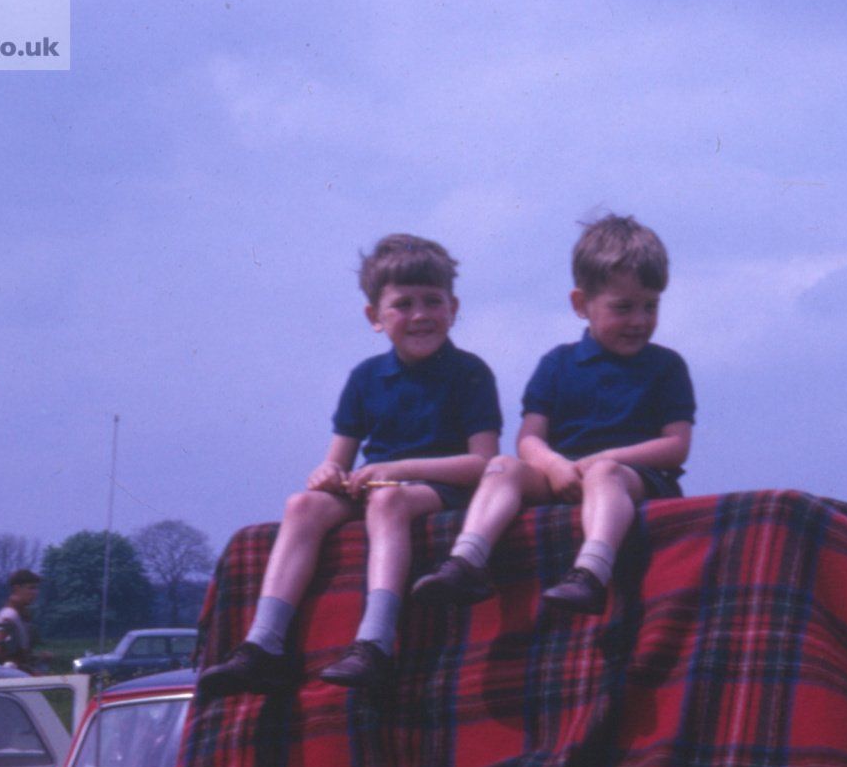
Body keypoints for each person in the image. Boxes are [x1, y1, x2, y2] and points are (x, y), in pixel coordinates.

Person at [199, 234, 501, 696]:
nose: (420, 315)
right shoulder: (365, 379)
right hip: (379, 483)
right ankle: (263, 644)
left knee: (387, 501)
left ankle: (375, 642)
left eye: (432, 301)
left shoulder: (470, 372)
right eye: (403, 304)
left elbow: (482, 463)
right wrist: (326, 476)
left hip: (440, 490)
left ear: (453, 307)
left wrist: (400, 469)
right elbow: (336, 461)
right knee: (302, 505)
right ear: (375, 318)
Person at [412, 214, 694, 617]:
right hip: (564, 474)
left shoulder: (666, 366)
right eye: (623, 307)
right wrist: (554, 464)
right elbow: (529, 438)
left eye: (650, 306)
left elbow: (675, 446)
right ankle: (466, 561)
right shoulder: (558, 364)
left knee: (605, 474)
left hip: (634, 478)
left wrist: (600, 462)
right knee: (504, 465)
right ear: (582, 304)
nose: (639, 320)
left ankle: (591, 573)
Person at [0, 570, 41, 670]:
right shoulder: (9, 616)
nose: (35, 593)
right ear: (17, 588)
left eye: (36, 588)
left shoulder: (19, 615)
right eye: (31, 588)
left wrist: (39, 657)